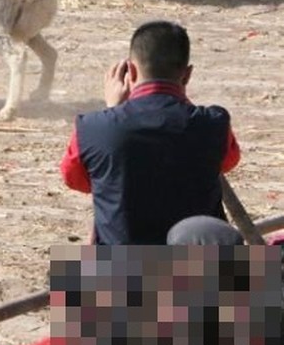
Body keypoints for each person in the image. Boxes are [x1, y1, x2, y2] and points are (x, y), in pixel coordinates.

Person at [60, 20, 240, 245]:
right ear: (187, 75)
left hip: (119, 275)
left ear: (130, 71)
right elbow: (226, 162)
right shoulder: (214, 124)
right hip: (199, 273)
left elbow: (78, 180)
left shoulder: (93, 127)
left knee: (62, 272)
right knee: (266, 267)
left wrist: (114, 111)